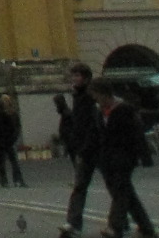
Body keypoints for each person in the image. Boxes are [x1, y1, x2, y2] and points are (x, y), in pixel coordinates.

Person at [91, 80, 156, 238]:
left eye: (96, 95)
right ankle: (146, 227)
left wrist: (144, 156)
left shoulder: (124, 109)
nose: (95, 99)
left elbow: (137, 133)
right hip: (107, 159)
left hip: (124, 157)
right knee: (126, 193)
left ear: (104, 94)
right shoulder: (99, 111)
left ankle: (115, 227)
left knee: (120, 191)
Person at [57, 61, 102, 236]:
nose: (74, 79)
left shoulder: (90, 96)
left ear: (86, 78)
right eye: (73, 76)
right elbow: (77, 123)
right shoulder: (78, 96)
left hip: (96, 147)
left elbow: (91, 124)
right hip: (84, 148)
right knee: (79, 186)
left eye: (77, 76)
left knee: (117, 186)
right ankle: (73, 223)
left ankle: (126, 221)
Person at [0, 94, 25, 187]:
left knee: (3, 162)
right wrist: (12, 138)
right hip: (5, 141)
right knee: (11, 161)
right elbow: (13, 127)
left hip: (0, 141)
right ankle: (16, 180)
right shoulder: (7, 114)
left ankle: (5, 181)